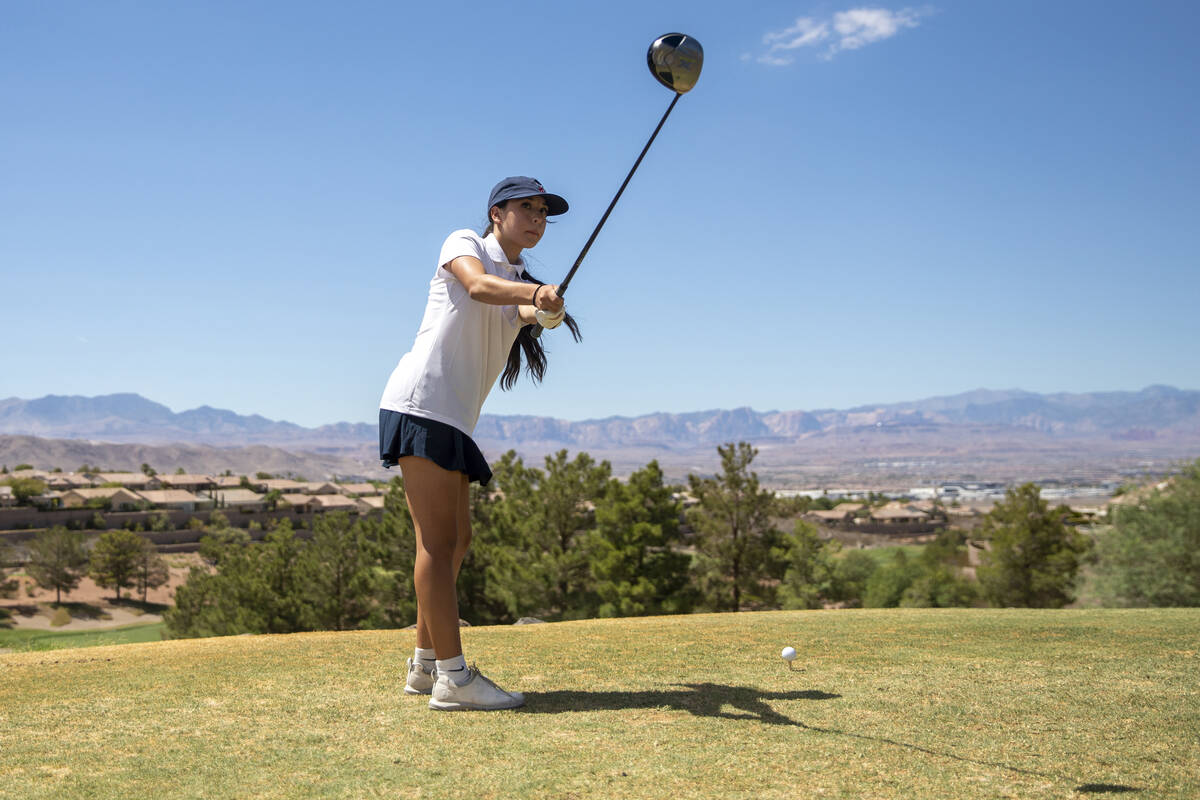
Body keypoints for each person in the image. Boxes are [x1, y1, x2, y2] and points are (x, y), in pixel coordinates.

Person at [378, 176, 580, 711]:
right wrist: (538, 295)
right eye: (526, 208)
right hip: (421, 405)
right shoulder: (464, 245)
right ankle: (454, 679)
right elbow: (479, 288)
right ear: (497, 213)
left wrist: (550, 309)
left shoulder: (517, 281)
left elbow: (534, 314)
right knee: (436, 544)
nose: (537, 218)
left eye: (543, 212)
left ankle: (425, 665)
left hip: (453, 420)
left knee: (457, 541)